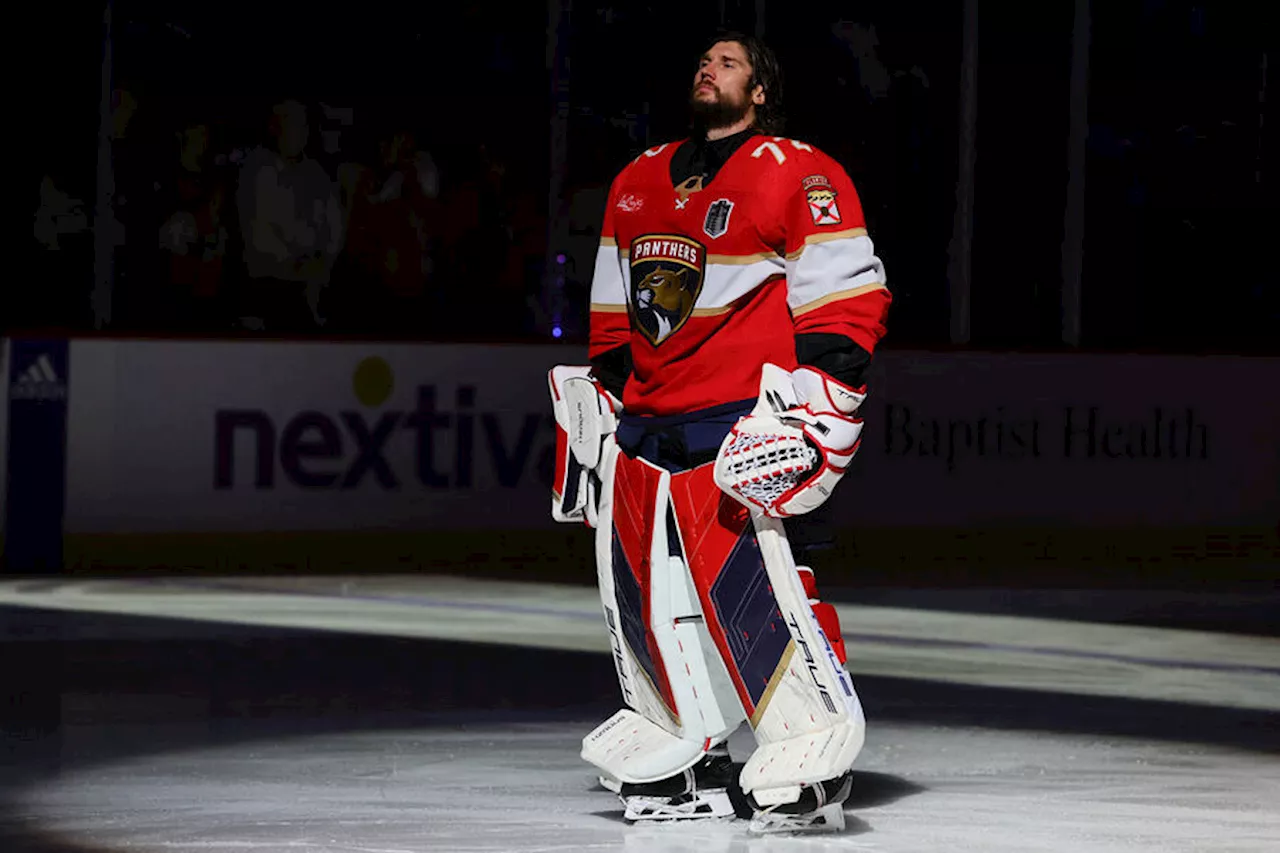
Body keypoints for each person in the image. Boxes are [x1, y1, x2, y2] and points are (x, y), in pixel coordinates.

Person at [548, 32, 891, 833]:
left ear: (761, 89)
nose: (709, 67)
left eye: (730, 61)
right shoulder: (636, 179)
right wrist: (599, 404)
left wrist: (821, 407)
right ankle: (684, 746)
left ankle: (808, 749)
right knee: (651, 601)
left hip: (745, 429)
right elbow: (612, 318)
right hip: (648, 430)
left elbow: (843, 305)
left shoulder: (800, 171)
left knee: (767, 594)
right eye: (703, 59)